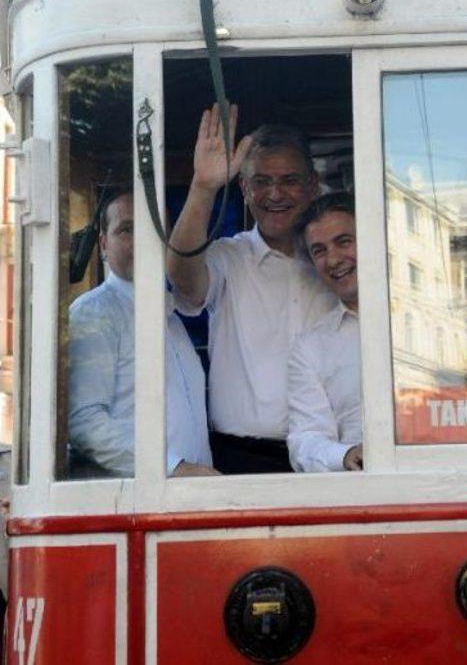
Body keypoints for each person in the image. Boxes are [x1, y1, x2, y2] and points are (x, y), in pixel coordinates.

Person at [167, 104, 334, 474]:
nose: (275, 194)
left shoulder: (336, 265)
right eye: (261, 181)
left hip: (331, 458)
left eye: (290, 180)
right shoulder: (229, 257)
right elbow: (182, 275)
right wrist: (204, 186)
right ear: (244, 188)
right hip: (241, 461)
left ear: (312, 187)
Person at [69, 190, 217, 478]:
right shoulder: (96, 313)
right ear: (103, 245)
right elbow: (84, 422)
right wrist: (173, 468)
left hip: (187, 497)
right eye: (127, 229)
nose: (142, 239)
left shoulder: (170, 314)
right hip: (137, 503)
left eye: (154, 227)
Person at [287, 192, 362, 472]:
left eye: (344, 242)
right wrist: (345, 455)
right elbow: (305, 440)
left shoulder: (437, 316)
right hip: (365, 493)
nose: (333, 260)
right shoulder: (311, 347)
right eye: (319, 250)